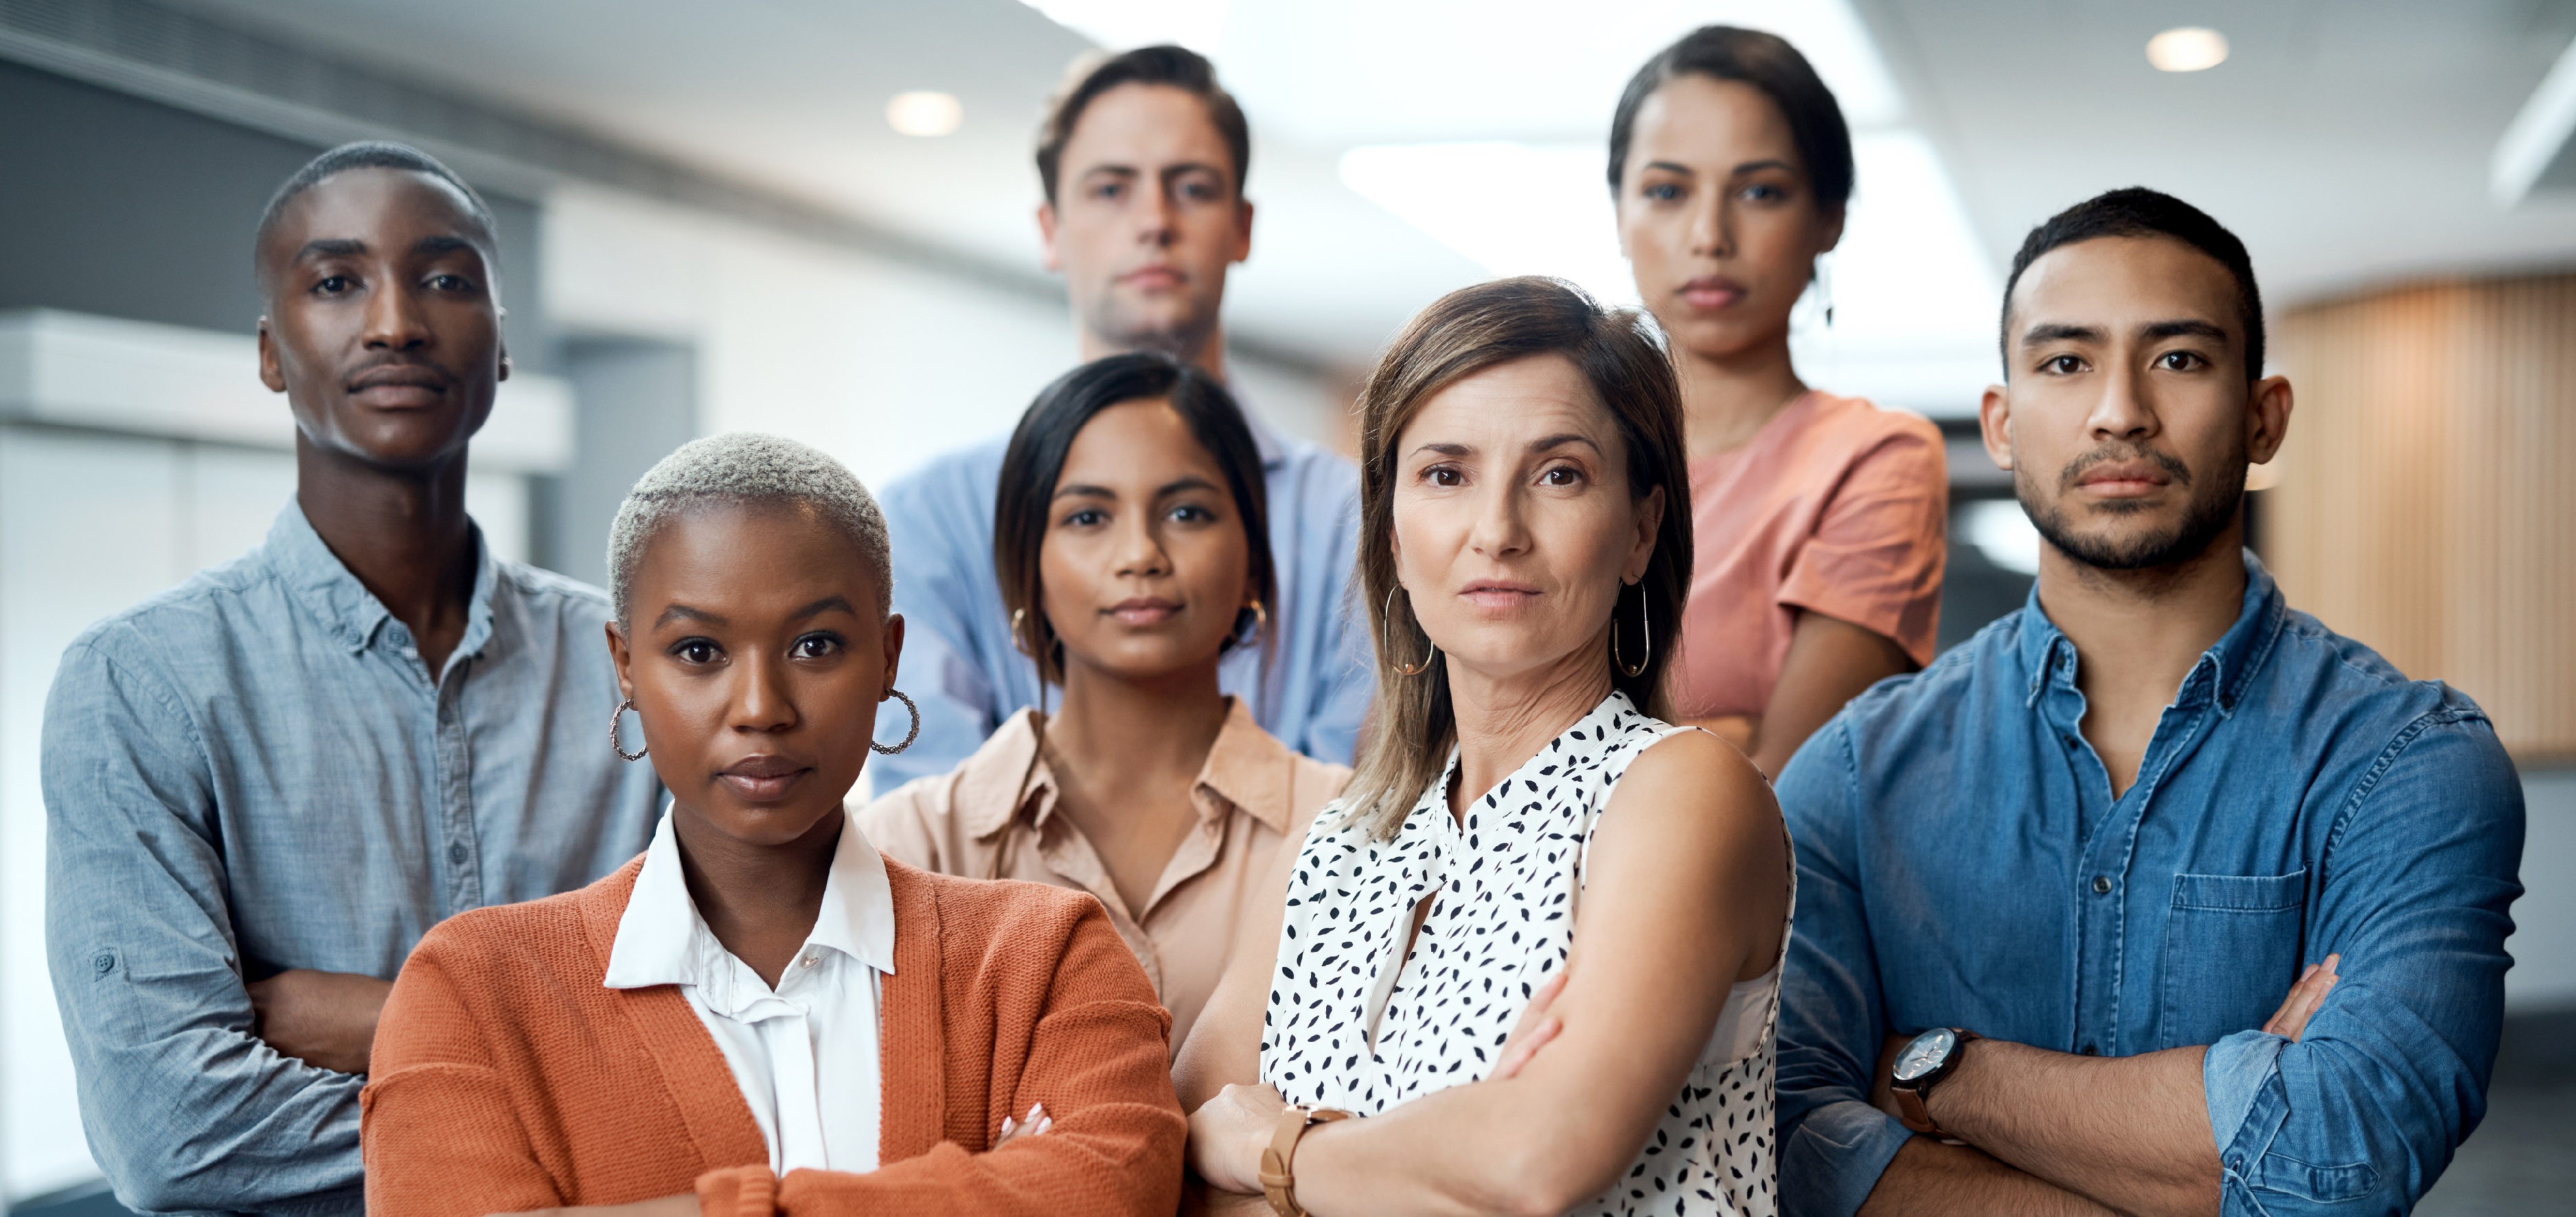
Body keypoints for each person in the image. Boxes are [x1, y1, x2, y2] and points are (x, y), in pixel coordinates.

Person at [1772, 188, 2525, 1217]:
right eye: (2063, 361)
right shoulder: (1853, 775)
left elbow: (2348, 1152)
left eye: (2177, 358)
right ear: (1999, 424)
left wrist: (1935, 1077)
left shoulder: (2404, 761)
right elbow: (1783, 1146)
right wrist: (2232, 1123)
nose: (2118, 408)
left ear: (2263, 419)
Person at [41, 141, 661, 1216]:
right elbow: (173, 1132)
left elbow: (756, 1038)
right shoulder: (141, 686)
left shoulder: (640, 669)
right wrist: (589, 1099)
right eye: (336, 282)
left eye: (445, 279)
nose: (394, 323)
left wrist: (386, 1019)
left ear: (502, 346)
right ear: (273, 351)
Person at [359, 433, 1186, 1217]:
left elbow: (1119, 1188)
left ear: (888, 659)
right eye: (698, 652)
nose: (760, 708)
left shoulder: (1047, 956)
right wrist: (987, 1188)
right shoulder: (470, 990)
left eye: (816, 644)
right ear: (624, 666)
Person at [1175, 277, 1792, 1216]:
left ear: (1639, 530)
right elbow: (1174, 1149)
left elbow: (1536, 1164)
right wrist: (1431, 1163)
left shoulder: (1681, 792)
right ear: (1391, 528)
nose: (1495, 532)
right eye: (1444, 474)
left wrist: (1273, 1149)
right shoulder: (1344, 838)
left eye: (1558, 474)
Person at [873, 45, 1367, 786]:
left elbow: (1367, 811)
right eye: (1111, 189)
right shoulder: (927, 518)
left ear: (1241, 226)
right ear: (1049, 228)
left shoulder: (1353, 518)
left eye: (1192, 188)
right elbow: (933, 826)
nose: (1153, 222)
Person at [859, 353, 1348, 1051]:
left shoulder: (1355, 829)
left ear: (1251, 560)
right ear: (1025, 564)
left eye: (1187, 511)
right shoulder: (908, 845)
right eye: (1088, 516)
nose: (1141, 553)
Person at [1611, 26, 1948, 777]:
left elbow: (1783, 782)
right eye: (1666, 191)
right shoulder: (1557, 452)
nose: (1709, 236)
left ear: (1828, 217)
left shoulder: (1874, 457)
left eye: (1760, 191)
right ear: (1619, 210)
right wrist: (1704, 744)